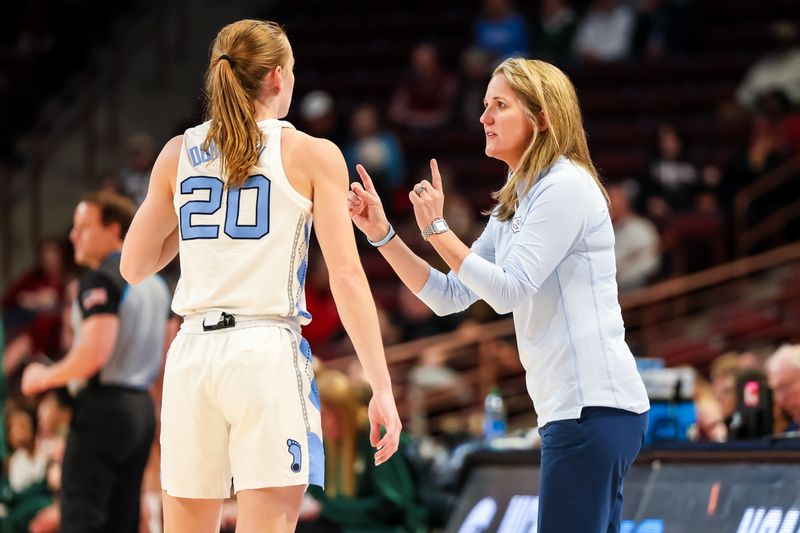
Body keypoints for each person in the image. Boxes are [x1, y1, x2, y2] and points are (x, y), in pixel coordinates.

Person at [119, 19, 401, 533]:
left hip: (191, 355)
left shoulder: (177, 153)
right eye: (291, 69)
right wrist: (381, 387)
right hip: (264, 351)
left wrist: (197, 219)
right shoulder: (312, 153)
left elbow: (133, 266)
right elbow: (347, 277)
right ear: (276, 76)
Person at [348, 57, 649, 533]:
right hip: (575, 412)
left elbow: (509, 291)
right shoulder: (520, 193)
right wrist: (384, 235)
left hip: (592, 408)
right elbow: (450, 295)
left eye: (500, 105)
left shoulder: (565, 186)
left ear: (543, 117)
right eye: (485, 105)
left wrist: (438, 231)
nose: (483, 118)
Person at [20, 191, 170, 533]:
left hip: (103, 410)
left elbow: (94, 354)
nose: (73, 236)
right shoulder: (158, 284)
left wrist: (43, 378)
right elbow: (166, 355)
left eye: (83, 227)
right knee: (123, 519)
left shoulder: (103, 278)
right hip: (141, 410)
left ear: (114, 230)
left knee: (82, 520)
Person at [298, 370, 427, 533]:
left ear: (342, 411)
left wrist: (326, 510)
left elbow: (391, 504)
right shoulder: (329, 441)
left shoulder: (375, 437)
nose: (318, 423)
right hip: (345, 524)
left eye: (323, 415)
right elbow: (317, 493)